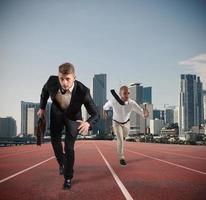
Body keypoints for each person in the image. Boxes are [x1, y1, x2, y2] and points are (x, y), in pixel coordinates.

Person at [37, 62, 99, 190]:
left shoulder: (83, 91)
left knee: (69, 147)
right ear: (58, 77)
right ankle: (62, 163)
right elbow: (44, 92)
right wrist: (42, 108)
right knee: (55, 142)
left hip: (73, 119)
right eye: (62, 79)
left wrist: (88, 123)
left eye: (68, 79)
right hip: (56, 114)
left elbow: (95, 114)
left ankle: (68, 177)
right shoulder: (52, 81)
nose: (64, 83)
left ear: (74, 78)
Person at [103, 86, 149, 166]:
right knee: (120, 140)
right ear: (120, 94)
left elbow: (142, 112)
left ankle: (122, 136)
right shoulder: (113, 101)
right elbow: (105, 107)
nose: (127, 95)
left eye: (128, 93)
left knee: (125, 135)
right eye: (124, 93)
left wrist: (145, 114)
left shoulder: (132, 103)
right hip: (116, 123)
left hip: (127, 123)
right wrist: (105, 111)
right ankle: (121, 158)